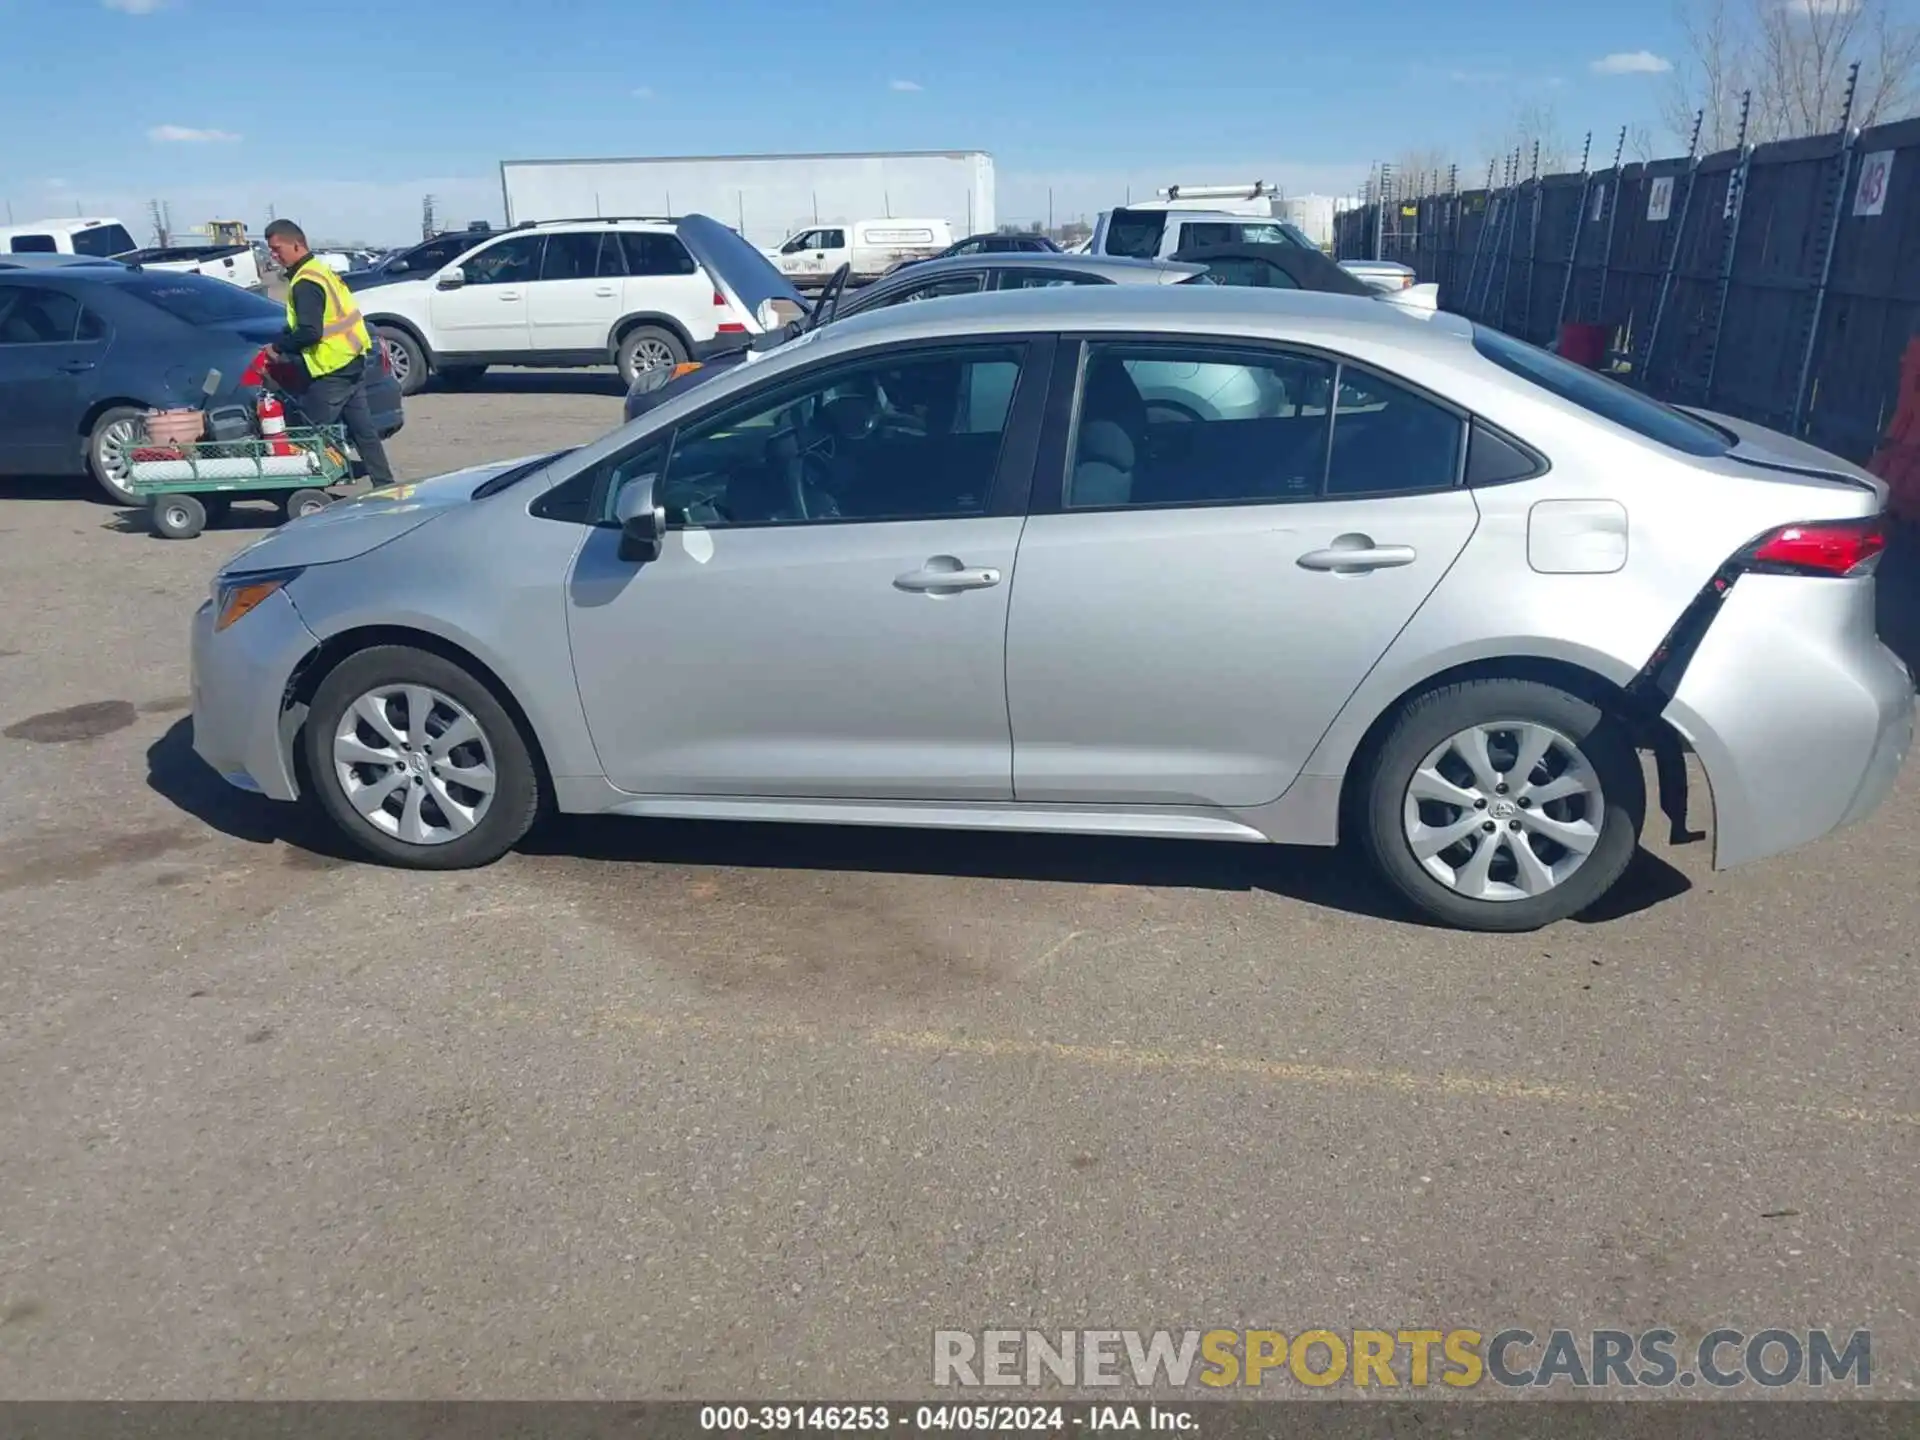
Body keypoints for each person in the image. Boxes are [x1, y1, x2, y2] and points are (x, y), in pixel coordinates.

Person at [261, 218, 395, 486]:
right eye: (271, 250)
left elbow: (310, 331)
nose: (274, 256)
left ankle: (303, 495)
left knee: (306, 436)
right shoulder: (320, 271)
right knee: (363, 432)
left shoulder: (305, 283)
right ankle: (385, 486)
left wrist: (277, 348)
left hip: (332, 369)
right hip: (352, 361)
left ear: (297, 244)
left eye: (277, 249)